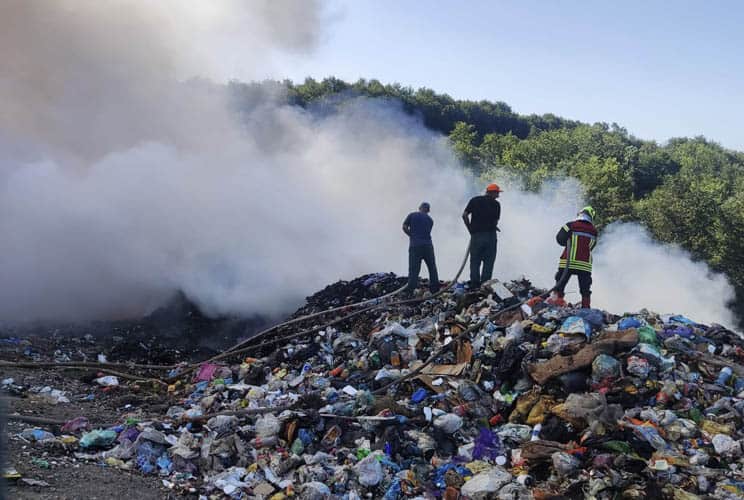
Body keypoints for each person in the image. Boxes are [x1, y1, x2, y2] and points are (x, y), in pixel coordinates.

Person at [550, 206, 598, 308]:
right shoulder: (594, 231)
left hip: (568, 262)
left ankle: (556, 305)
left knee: (560, 285)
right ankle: (586, 309)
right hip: (584, 265)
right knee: (585, 290)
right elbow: (592, 246)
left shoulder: (570, 225)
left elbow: (559, 239)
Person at [462, 183, 502, 288]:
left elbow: (464, 215)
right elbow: (495, 221)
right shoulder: (496, 205)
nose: (498, 196)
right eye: (497, 193)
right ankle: (485, 285)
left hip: (477, 235)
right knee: (489, 261)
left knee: (475, 260)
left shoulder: (475, 200)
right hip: (490, 236)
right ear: (492, 192)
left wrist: (470, 229)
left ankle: (474, 284)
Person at [402, 202, 440, 294]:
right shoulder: (430, 220)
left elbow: (404, 226)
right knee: (432, 267)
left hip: (415, 246)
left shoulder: (412, 215)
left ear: (420, 207)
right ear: (428, 210)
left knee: (414, 268)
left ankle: (411, 288)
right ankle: (435, 288)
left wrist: (411, 235)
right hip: (428, 246)